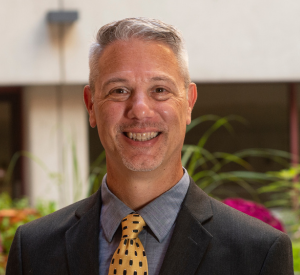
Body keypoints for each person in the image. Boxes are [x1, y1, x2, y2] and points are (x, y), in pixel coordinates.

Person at [6, 17, 293, 275]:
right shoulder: (33, 249)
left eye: (160, 90)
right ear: (91, 105)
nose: (140, 110)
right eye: (119, 90)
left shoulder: (258, 254)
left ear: (189, 103)